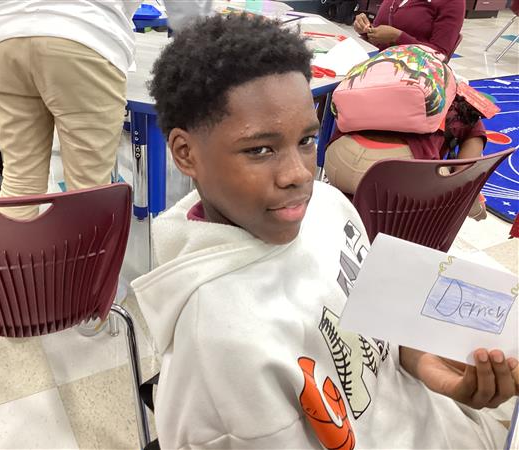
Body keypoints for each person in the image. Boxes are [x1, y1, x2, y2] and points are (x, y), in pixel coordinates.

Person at [132, 13, 518, 449]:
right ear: (185, 153)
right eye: (260, 149)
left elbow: (380, 317)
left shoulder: (329, 205)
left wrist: (416, 356)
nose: (299, 174)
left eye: (306, 140)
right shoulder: (223, 349)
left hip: (433, 412)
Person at [0, 0, 212, 219]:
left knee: (20, 180)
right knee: (87, 190)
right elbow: (188, 8)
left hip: (5, 35)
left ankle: (11, 249)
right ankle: (81, 251)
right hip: (84, 34)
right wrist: (199, 44)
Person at [324, 96, 489, 219]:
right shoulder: (463, 107)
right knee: (440, 182)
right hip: (398, 176)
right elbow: (466, 178)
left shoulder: (378, 71)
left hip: (337, 160)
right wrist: (476, 210)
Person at [353, 0, 465, 58]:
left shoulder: (453, 2)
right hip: (378, 63)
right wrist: (366, 29)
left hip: (411, 75)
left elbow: (440, 55)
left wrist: (397, 37)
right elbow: (380, 30)